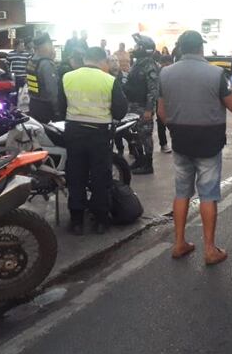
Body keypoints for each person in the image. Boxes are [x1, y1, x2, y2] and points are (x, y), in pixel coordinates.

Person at [158, 30, 232, 266]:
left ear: (181, 48)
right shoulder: (216, 73)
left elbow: (161, 113)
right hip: (208, 142)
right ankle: (209, 250)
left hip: (180, 141)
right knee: (208, 194)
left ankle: (179, 243)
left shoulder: (165, 73)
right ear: (201, 48)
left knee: (182, 192)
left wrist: (178, 127)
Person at [62, 47, 128, 235]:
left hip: (73, 133)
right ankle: (100, 221)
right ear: (102, 61)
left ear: (85, 59)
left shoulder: (68, 77)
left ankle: (76, 221)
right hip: (99, 135)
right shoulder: (109, 80)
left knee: (76, 176)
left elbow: (59, 106)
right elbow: (120, 111)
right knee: (100, 177)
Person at [124, 33, 160, 175]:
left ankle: (148, 164)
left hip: (143, 107)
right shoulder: (137, 63)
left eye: (138, 45)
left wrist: (149, 110)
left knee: (145, 136)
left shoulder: (150, 65)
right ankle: (139, 159)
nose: (135, 48)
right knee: (135, 135)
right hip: (132, 106)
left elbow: (153, 90)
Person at [26, 33, 60, 123]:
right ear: (45, 47)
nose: (52, 48)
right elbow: (52, 91)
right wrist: (57, 110)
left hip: (33, 103)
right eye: (50, 45)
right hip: (46, 108)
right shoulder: (46, 64)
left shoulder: (31, 61)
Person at [156, 54, 174, 153]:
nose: (165, 66)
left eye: (168, 64)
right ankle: (163, 144)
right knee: (160, 122)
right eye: (164, 64)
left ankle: (176, 141)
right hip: (160, 99)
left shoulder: (175, 72)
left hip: (173, 100)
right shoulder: (157, 73)